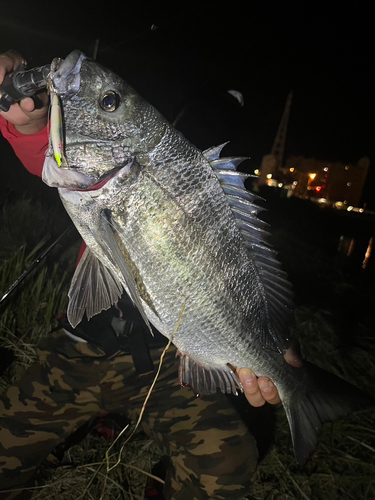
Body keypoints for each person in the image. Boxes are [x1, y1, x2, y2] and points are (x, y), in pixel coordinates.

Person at [0, 50, 301, 500]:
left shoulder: (201, 194)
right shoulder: (114, 170)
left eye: (109, 103)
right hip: (80, 351)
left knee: (229, 461)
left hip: (163, 369)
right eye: (110, 104)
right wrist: (24, 120)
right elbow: (44, 145)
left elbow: (241, 277)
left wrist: (271, 339)